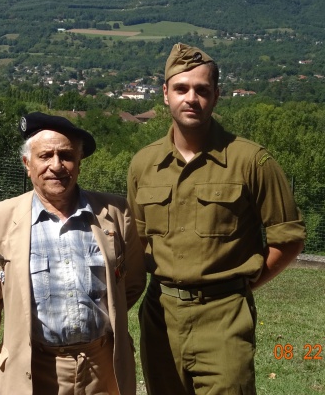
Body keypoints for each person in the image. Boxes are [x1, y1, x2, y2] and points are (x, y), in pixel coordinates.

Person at [127, 43, 307, 395]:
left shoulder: (252, 161)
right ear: (165, 94)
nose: (191, 98)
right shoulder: (143, 165)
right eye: (181, 88)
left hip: (224, 317)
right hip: (159, 315)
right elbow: (140, 241)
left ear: (216, 96)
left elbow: (288, 239)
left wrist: (243, 286)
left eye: (202, 90)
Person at [0, 112, 146, 395]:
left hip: (102, 369)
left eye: (66, 155)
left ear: (79, 163)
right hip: (33, 371)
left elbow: (132, 282)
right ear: (27, 164)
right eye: (45, 155)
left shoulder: (116, 214)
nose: (56, 165)